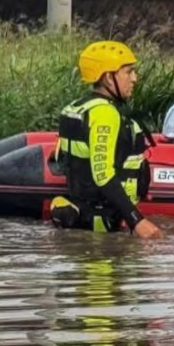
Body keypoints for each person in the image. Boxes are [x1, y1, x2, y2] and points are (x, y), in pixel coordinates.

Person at [50, 41, 163, 239]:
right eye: (128, 72)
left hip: (86, 216)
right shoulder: (104, 114)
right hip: (103, 222)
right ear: (109, 78)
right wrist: (137, 221)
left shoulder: (77, 108)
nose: (135, 78)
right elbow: (103, 174)